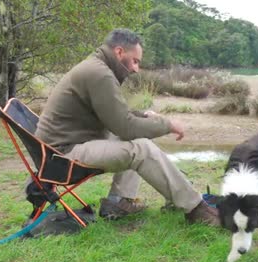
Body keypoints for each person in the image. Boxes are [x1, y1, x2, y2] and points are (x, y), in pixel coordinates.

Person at [33, 28, 219, 225]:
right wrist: (167, 124)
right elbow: (125, 128)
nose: (136, 69)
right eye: (135, 61)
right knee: (140, 148)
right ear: (119, 52)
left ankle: (119, 201)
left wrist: (144, 116)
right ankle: (196, 209)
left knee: (137, 138)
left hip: (57, 150)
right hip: (62, 156)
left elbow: (115, 115)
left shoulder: (96, 67)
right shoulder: (100, 74)